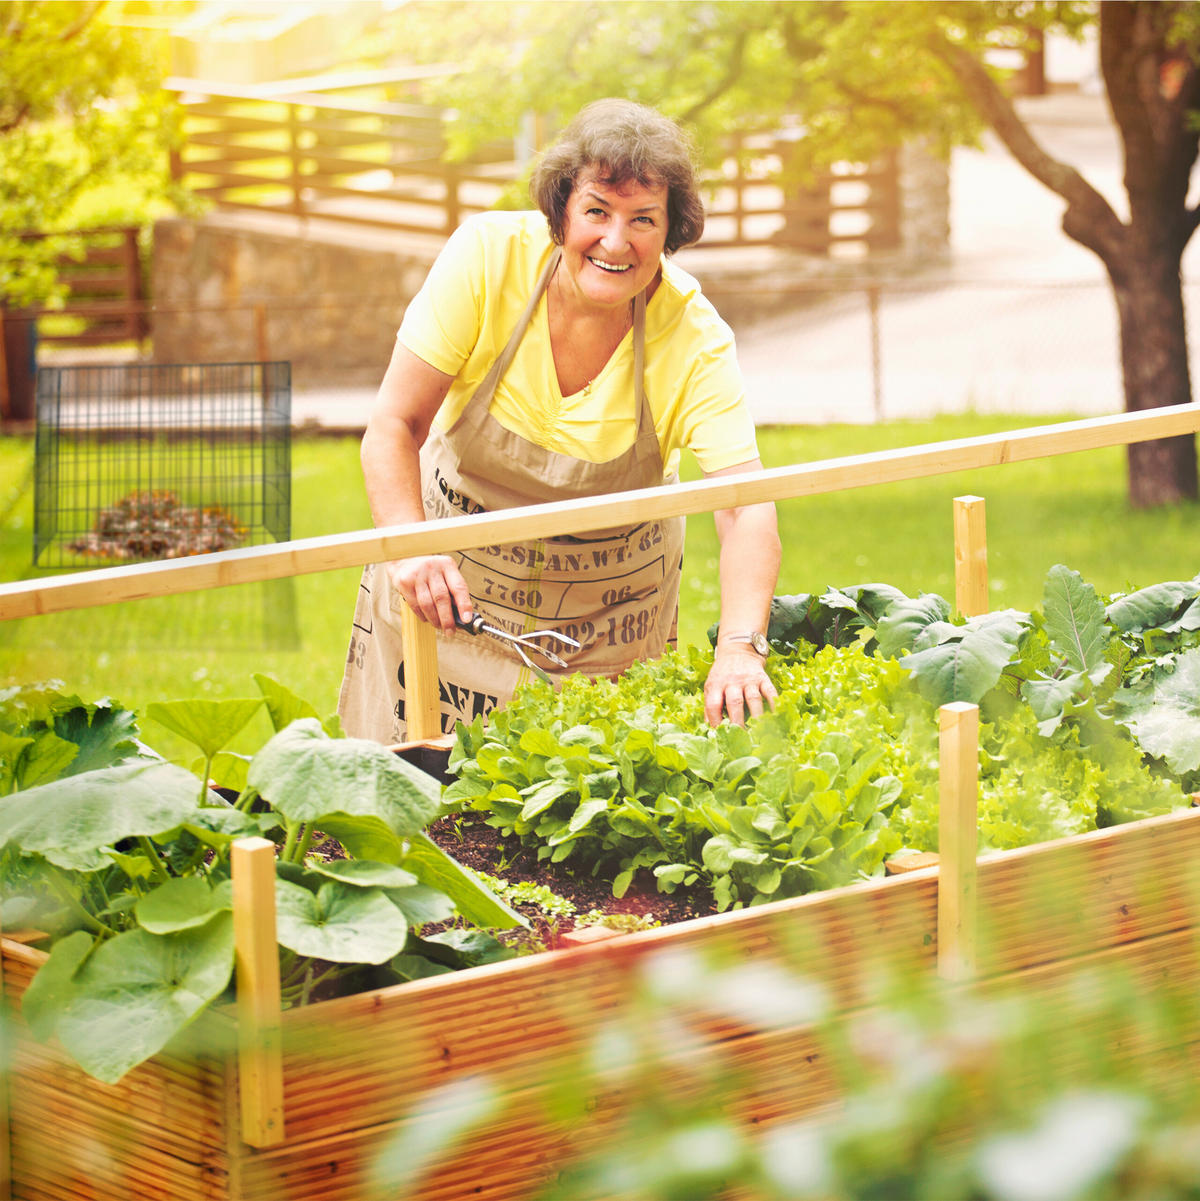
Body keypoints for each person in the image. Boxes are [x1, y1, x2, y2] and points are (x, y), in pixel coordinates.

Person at [338, 97, 781, 744]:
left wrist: (741, 645)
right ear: (561, 209)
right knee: (410, 814)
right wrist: (412, 546)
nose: (614, 240)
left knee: (578, 825)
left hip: (605, 633)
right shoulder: (488, 259)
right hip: (447, 595)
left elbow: (744, 503)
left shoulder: (694, 335)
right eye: (596, 210)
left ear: (671, 231)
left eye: (643, 219)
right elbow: (395, 425)